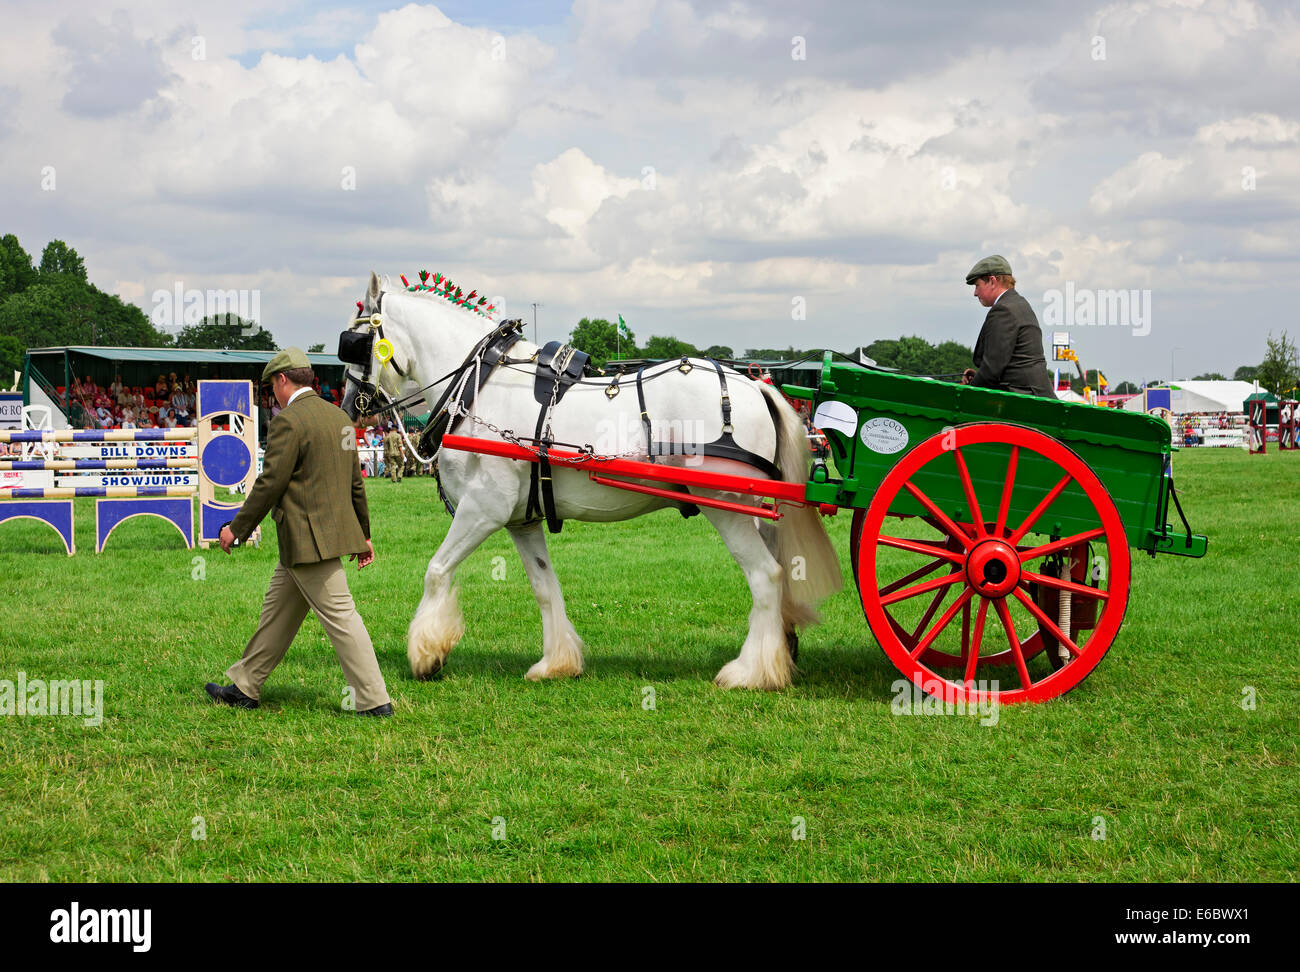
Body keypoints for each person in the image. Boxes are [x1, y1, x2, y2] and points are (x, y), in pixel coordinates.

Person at [205, 348, 392, 717]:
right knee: (276, 615)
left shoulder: (288, 422)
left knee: (343, 619)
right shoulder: (338, 418)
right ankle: (245, 686)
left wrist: (236, 529)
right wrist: (364, 534)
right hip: (308, 543)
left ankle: (374, 701)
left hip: (308, 542)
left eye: (271, 386)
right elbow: (356, 482)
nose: (272, 394)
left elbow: (270, 483)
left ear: (282, 380)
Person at [960, 255, 1055, 399]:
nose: (975, 293)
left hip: (1023, 400)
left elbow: (991, 370)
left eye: (977, 285)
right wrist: (978, 376)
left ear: (992, 281)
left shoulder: (1003, 310)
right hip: (1035, 396)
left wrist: (965, 394)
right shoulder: (1019, 304)